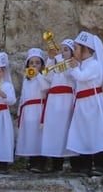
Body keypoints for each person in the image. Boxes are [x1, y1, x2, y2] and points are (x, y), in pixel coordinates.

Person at [65, 31, 103, 176]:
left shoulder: (94, 65)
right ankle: (84, 164)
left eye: (77, 48)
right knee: (83, 133)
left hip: (93, 103)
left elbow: (82, 77)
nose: (74, 51)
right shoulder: (81, 64)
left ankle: (99, 164)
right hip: (82, 103)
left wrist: (73, 67)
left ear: (85, 49)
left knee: (95, 132)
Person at [38, 38, 75, 173]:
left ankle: (74, 162)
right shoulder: (56, 63)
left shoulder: (72, 64)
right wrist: (50, 58)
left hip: (67, 100)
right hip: (54, 101)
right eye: (62, 50)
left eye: (66, 50)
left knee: (67, 130)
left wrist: (58, 59)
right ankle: (56, 163)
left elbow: (69, 74)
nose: (63, 52)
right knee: (54, 132)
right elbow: (47, 77)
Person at [15, 48, 49, 173]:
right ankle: (32, 160)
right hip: (27, 111)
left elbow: (45, 88)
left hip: (38, 109)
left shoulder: (43, 77)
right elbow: (23, 97)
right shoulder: (26, 80)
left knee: (38, 137)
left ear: (42, 65)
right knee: (30, 137)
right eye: (31, 63)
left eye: (37, 63)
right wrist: (20, 112)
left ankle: (41, 162)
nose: (34, 65)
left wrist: (38, 75)